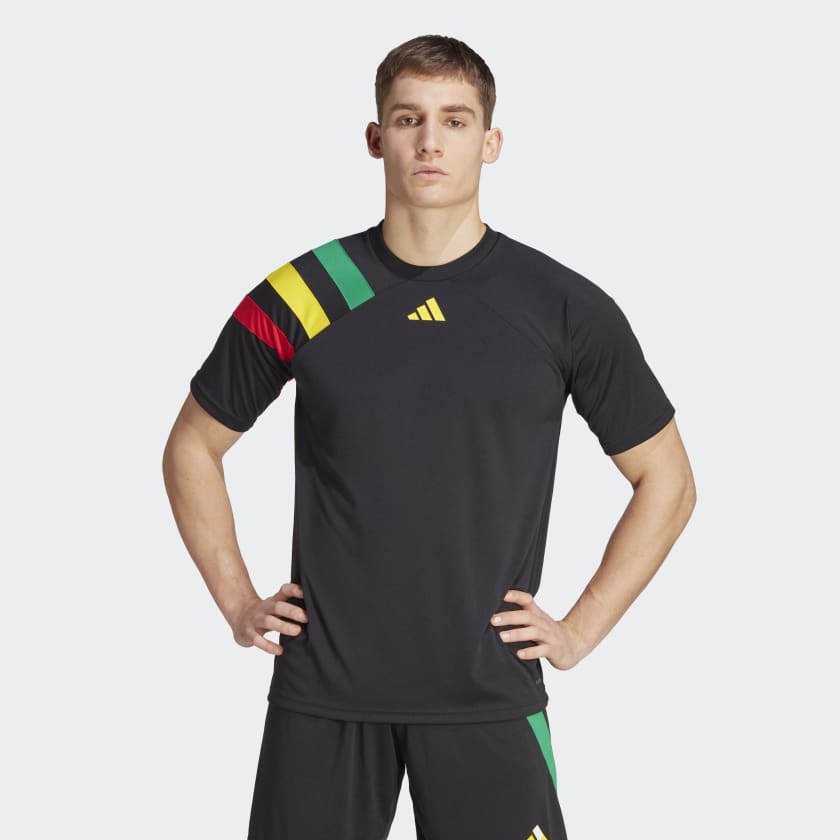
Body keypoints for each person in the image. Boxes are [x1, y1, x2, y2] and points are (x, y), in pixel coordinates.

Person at [162, 33, 695, 840]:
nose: (430, 141)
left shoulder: (561, 307)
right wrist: (237, 602)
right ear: (376, 138)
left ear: (491, 142)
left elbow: (668, 480)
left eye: (454, 120)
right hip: (324, 695)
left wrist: (579, 629)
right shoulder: (304, 292)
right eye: (409, 119)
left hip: (487, 694)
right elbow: (192, 447)